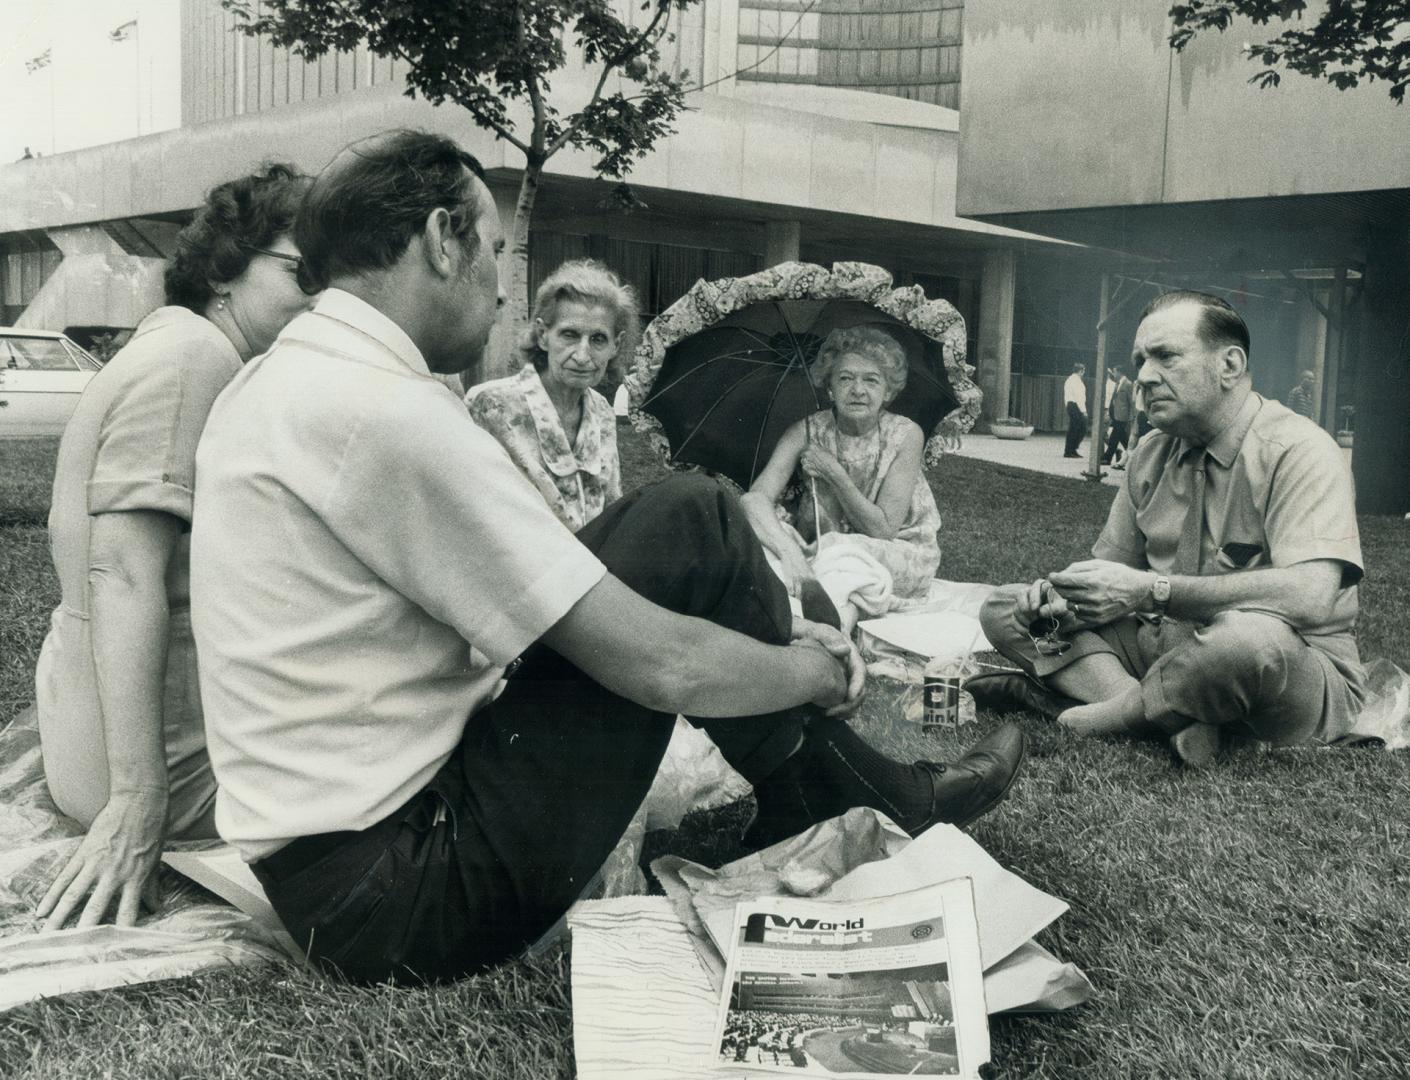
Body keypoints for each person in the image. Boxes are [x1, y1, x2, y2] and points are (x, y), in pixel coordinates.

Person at [187, 130, 1025, 985]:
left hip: (345, 866)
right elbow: (662, 665)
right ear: (444, 238)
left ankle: (826, 789)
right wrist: (809, 669)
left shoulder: (282, 379)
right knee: (695, 516)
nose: (500, 296)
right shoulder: (384, 411)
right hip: (404, 893)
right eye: (498, 253)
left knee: (686, 514)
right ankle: (853, 790)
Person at [33, 164, 313, 931]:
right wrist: (136, 801)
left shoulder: (177, 343)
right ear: (225, 269)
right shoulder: (195, 360)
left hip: (96, 723)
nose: (320, 298)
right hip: (160, 765)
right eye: (300, 271)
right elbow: (122, 571)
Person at [970, 291, 1365, 766]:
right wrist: (1061, 601)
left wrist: (1152, 591)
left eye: (1166, 357)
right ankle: (1163, 714)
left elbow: (1311, 596)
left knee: (1246, 641)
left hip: (1285, 669)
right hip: (1163, 649)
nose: (1143, 376)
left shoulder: (1299, 449)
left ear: (1230, 365)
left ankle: (1112, 715)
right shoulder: (1151, 453)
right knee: (1005, 607)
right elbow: (1110, 580)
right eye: (1140, 360)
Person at [740, 326, 942, 632]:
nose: (858, 390)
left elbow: (883, 528)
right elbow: (753, 499)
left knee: (838, 554)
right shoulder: (805, 431)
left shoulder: (905, 435)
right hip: (820, 549)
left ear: (888, 392)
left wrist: (833, 472)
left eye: (871, 380)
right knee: (761, 540)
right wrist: (790, 553)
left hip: (898, 551)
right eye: (845, 378)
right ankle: (817, 606)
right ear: (830, 388)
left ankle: (826, 627)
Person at [465, 259, 638, 532]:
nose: (582, 355)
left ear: (615, 346)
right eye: (570, 335)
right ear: (544, 335)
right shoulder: (489, 405)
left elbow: (610, 510)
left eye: (598, 339)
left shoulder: (603, 411)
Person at [1101, 365, 1135, 467]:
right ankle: (1132, 454)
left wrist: (1131, 416)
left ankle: (1107, 457)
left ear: (1120, 372)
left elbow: (1132, 402)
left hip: (1123, 416)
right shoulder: (1118, 383)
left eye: (1115, 372)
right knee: (1122, 437)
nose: (1114, 374)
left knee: (1114, 436)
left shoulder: (1128, 384)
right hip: (1116, 415)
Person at [1062, 362, 1087, 458]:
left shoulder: (1070, 379)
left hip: (1071, 405)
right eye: (1083, 371)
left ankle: (1071, 449)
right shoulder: (1076, 380)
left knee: (1074, 428)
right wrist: (1083, 410)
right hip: (1075, 405)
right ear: (1081, 371)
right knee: (1079, 428)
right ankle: (1070, 450)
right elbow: (1079, 396)